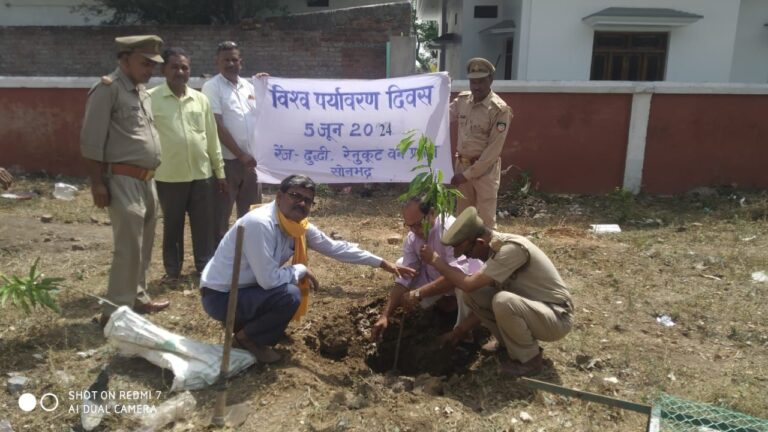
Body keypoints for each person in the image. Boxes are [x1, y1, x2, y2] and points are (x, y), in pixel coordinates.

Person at [200, 174, 414, 363]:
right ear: (279, 196)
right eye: (295, 196)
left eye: (308, 200)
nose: (301, 203)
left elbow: (334, 247)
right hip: (221, 297)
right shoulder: (260, 224)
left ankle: (252, 327)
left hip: (246, 289)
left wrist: (383, 263)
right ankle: (247, 339)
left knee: (286, 289)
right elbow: (268, 280)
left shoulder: (297, 226)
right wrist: (300, 269)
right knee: (290, 294)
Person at [80, 35, 171, 327]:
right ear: (125, 59)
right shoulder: (107, 89)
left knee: (144, 245)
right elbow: (91, 142)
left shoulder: (142, 92)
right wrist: (97, 183)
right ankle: (115, 312)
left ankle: (138, 297)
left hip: (147, 180)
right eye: (145, 63)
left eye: (153, 64)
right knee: (128, 247)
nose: (150, 69)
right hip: (122, 179)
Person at [419, 207, 573, 377]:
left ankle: (529, 360)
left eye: (468, 252)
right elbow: (471, 290)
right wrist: (458, 332)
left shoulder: (510, 250)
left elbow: (468, 284)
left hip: (555, 318)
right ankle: (507, 344)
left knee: (502, 301)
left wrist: (435, 261)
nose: (468, 257)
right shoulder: (493, 248)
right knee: (474, 295)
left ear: (480, 242)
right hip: (532, 309)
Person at [149, 48, 226, 278]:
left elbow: (211, 137)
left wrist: (219, 172)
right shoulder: (150, 99)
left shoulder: (200, 99)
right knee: (172, 225)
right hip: (168, 176)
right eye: (174, 67)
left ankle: (205, 267)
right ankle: (173, 270)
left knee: (204, 225)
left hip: (202, 174)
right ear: (163, 70)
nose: (180, 72)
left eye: (184, 67)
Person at [370, 196, 483, 342]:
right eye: (410, 226)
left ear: (432, 213)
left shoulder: (449, 231)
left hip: (467, 280)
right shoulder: (413, 237)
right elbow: (405, 277)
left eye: (419, 224)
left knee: (463, 288)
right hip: (437, 278)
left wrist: (418, 293)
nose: (415, 230)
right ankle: (442, 306)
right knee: (401, 264)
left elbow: (458, 276)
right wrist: (385, 315)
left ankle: (464, 332)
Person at [201, 41, 264, 242]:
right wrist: (240, 155)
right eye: (225, 60)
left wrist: (266, 85)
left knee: (252, 214)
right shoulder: (212, 87)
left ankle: (247, 253)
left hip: (252, 163)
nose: (230, 64)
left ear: (240, 62)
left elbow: (264, 115)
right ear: (217, 62)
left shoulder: (249, 87)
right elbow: (216, 125)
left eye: (234, 60)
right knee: (221, 215)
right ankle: (219, 256)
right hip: (227, 162)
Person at [449, 57, 513, 228]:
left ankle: (486, 247)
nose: (476, 86)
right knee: (463, 221)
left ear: (490, 80)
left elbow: (493, 151)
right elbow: (441, 117)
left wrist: (467, 175)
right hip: (462, 167)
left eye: (481, 81)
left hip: (485, 171)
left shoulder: (499, 110)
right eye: (473, 82)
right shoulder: (462, 101)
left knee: (485, 223)